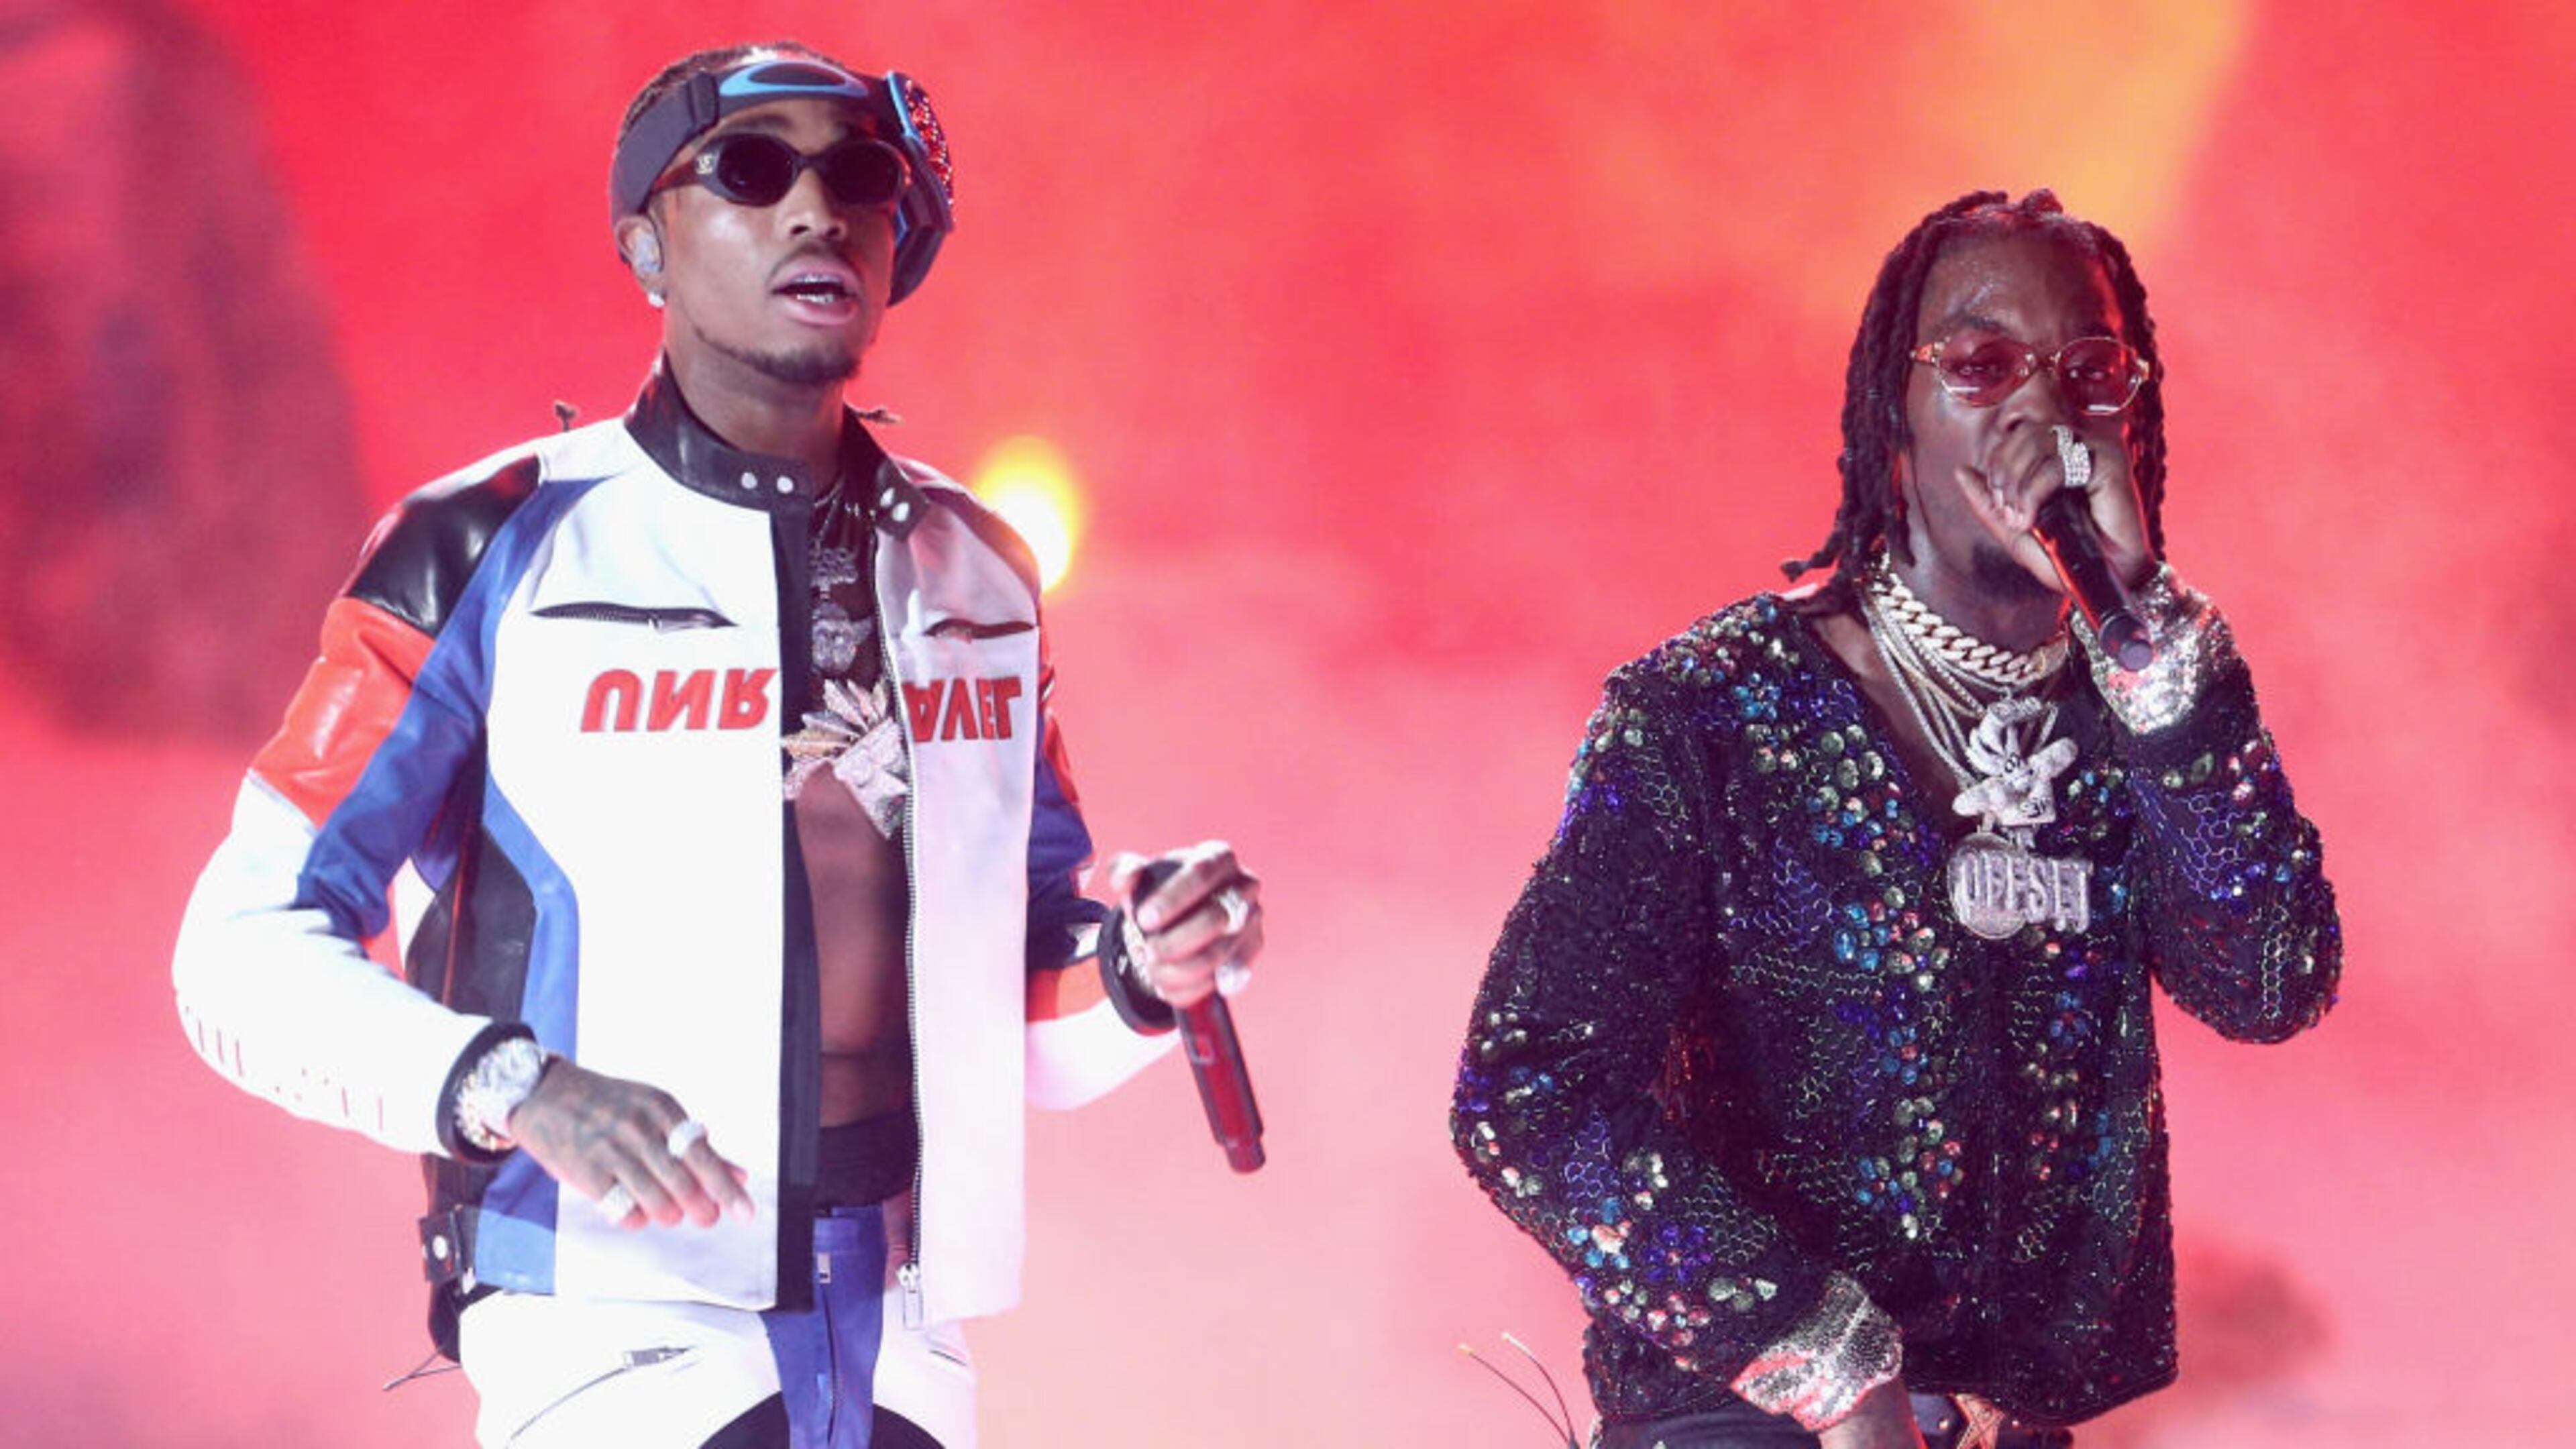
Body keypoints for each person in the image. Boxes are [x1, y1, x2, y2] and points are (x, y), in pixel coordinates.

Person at [172, 41, 1265, 1449]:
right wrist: (512, 1086)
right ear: (649, 246)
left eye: (858, 175)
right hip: (608, 1328)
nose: (816, 211)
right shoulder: (485, 546)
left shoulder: (980, 574)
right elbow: (238, 946)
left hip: (908, 1337)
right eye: (752, 171)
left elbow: (1018, 994)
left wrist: (1143, 966)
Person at [1449, 190, 2339, 1449]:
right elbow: (1526, 1093)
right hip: (1749, 1422)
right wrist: (1821, 1355)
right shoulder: (1709, 716)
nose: (2043, 409)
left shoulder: (2143, 717)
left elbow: (2271, 981)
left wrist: (2153, 642)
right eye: (1980, 365)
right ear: (1894, 421)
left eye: (2091, 369)